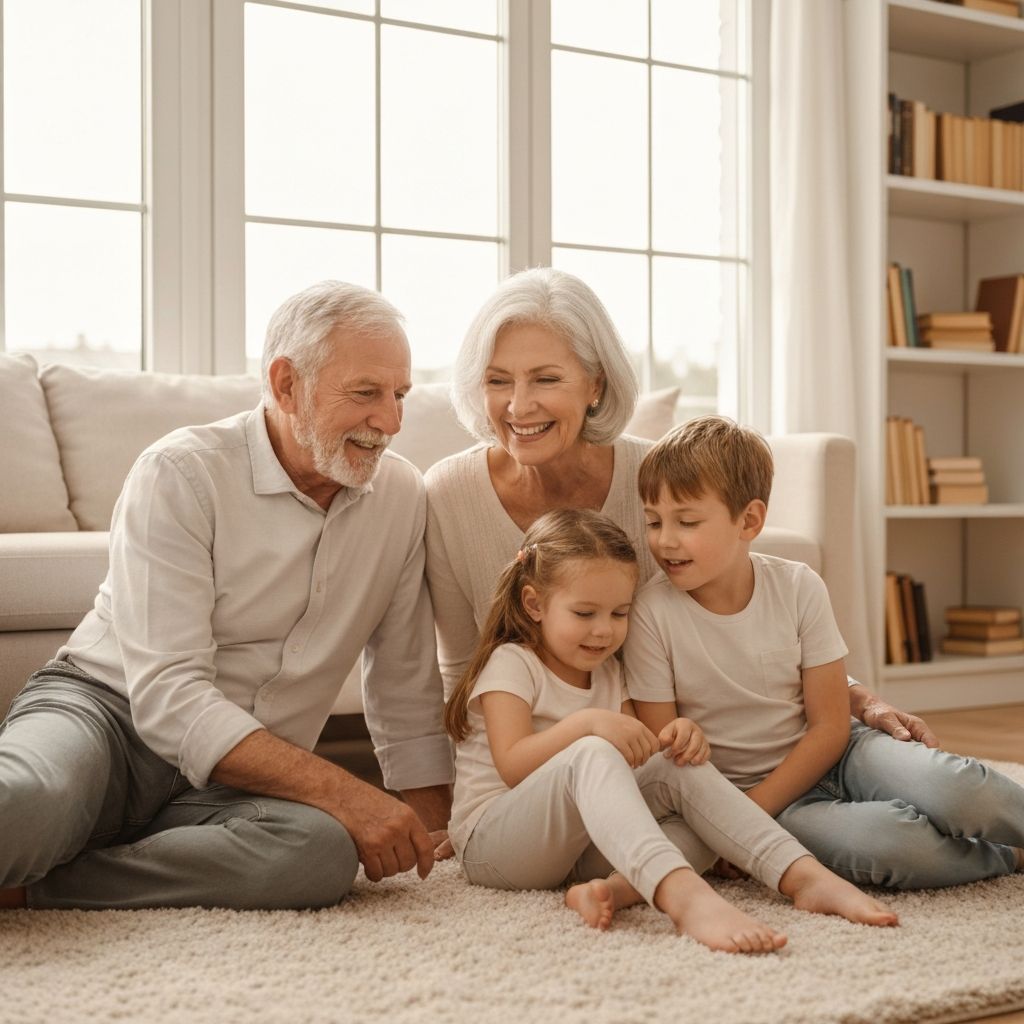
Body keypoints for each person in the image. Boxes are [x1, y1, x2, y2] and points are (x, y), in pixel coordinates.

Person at [0, 281, 453, 910]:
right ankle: (52, 839)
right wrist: (350, 794)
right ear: (286, 383)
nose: (391, 422)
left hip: (238, 777)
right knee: (22, 808)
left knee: (317, 855)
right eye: (366, 393)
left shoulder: (402, 497)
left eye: (400, 395)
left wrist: (435, 831)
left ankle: (35, 888)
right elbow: (168, 698)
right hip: (108, 716)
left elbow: (404, 680)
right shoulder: (182, 472)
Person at [425, 265, 937, 751]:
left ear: (596, 385)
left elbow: (733, 629)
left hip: (662, 749)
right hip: (531, 762)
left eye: (546, 379)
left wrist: (857, 697)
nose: (517, 405)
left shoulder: (655, 482)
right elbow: (462, 666)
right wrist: (465, 801)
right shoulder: (449, 491)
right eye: (497, 381)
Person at [445, 507, 898, 952]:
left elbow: (642, 760)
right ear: (534, 604)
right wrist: (587, 725)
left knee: (678, 767)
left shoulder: (609, 673)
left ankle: (800, 875)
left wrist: (680, 735)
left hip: (575, 851)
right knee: (593, 750)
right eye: (585, 614)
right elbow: (512, 765)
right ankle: (685, 898)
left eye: (618, 614)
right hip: (495, 848)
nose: (603, 631)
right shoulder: (512, 663)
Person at [625, 415, 1024, 889]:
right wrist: (739, 822)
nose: (663, 539)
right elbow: (669, 753)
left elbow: (832, 725)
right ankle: (1007, 859)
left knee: (961, 791)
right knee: (894, 844)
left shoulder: (798, 585)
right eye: (652, 521)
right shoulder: (649, 612)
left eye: (686, 521)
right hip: (761, 800)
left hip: (845, 754)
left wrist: (745, 823)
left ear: (748, 520)